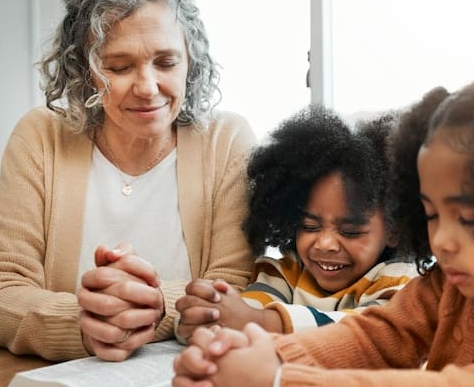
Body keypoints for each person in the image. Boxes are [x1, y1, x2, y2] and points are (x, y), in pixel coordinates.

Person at [171, 53, 474, 387]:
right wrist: (269, 358)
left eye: (471, 217)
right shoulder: (451, 288)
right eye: (431, 213)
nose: (443, 240)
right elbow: (379, 334)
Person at [0, 0, 255, 362]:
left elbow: (239, 288)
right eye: (119, 67)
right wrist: (82, 324)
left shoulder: (226, 140)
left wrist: (157, 307)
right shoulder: (41, 137)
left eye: (166, 63)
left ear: (190, 63)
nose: (148, 87)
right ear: (84, 70)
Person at [174, 106, 416, 341]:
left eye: (350, 231)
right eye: (310, 226)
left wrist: (263, 322)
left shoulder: (400, 281)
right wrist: (209, 314)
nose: (326, 243)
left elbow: (365, 330)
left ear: (394, 229)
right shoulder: (286, 272)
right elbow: (248, 309)